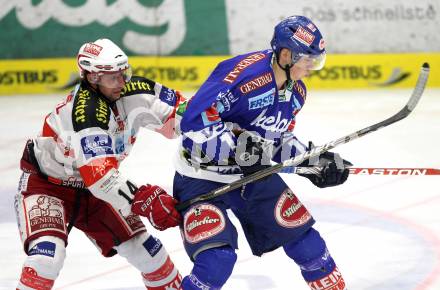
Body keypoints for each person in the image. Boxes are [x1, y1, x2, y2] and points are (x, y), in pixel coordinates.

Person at [172, 16, 349, 289]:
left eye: (316, 60)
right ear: (286, 54)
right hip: (200, 177)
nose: (311, 67)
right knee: (216, 262)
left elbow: (277, 139)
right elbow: (192, 121)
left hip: (252, 177)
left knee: (310, 248)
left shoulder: (296, 92)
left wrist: (311, 161)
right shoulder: (241, 75)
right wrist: (239, 151)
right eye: (307, 60)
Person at [15, 38, 186, 290]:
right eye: (113, 77)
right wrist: (144, 199)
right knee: (46, 258)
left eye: (123, 73)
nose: (122, 82)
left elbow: (182, 112)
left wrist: (218, 120)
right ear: (92, 78)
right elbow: (100, 178)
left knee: (151, 254)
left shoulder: (134, 88)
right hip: (48, 187)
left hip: (94, 191)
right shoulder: (87, 112)